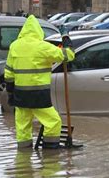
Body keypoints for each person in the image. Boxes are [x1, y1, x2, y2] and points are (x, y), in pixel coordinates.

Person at [4, 15, 75, 149]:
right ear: (38, 31)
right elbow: (68, 55)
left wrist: (10, 92)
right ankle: (50, 155)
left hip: (20, 95)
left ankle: (23, 160)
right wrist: (65, 37)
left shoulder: (14, 46)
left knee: (22, 127)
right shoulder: (43, 47)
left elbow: (8, 72)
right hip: (38, 94)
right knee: (53, 122)